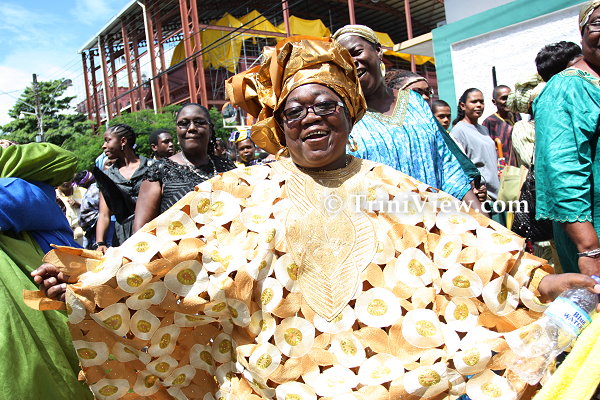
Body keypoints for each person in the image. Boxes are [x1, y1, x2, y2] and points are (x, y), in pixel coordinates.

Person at [32, 36, 600, 400]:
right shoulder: (240, 192)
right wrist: (87, 278)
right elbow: (164, 253)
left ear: (349, 114)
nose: (310, 118)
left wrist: (540, 281)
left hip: (394, 374)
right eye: (294, 111)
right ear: (278, 126)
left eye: (325, 104)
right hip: (273, 379)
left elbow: (465, 240)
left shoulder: (389, 187)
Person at [332, 25, 484, 213]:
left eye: (356, 52)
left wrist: (479, 214)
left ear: (378, 51)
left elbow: (446, 165)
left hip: (438, 222)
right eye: (343, 60)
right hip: (385, 227)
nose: (352, 63)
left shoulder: (415, 102)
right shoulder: (344, 118)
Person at [0, 142, 93, 399]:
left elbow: (63, 160)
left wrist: (5, 154)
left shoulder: (18, 191)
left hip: (59, 289)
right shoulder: (27, 189)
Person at [534, 0, 600, 275]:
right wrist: (589, 249)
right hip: (593, 232)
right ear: (582, 30)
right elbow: (562, 171)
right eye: (598, 23)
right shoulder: (566, 88)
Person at [132, 104, 235, 232]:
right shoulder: (159, 171)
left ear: (210, 129)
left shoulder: (227, 167)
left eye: (199, 122)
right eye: (184, 123)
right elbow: (140, 230)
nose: (191, 128)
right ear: (177, 130)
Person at [94, 124, 152, 252]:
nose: (103, 146)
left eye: (108, 140)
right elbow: (104, 214)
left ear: (123, 141)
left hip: (152, 232)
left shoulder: (152, 167)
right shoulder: (107, 176)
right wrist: (100, 243)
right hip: (124, 238)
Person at [450, 88, 500, 203]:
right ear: (463, 106)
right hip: (481, 196)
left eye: (481, 102)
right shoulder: (459, 131)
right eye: (474, 102)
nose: (479, 105)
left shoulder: (483, 129)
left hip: (495, 195)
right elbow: (460, 168)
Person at [481, 85, 521, 166]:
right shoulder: (490, 122)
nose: (508, 101)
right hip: (504, 168)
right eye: (504, 98)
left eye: (510, 97)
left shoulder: (516, 116)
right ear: (494, 102)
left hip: (521, 166)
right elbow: (487, 150)